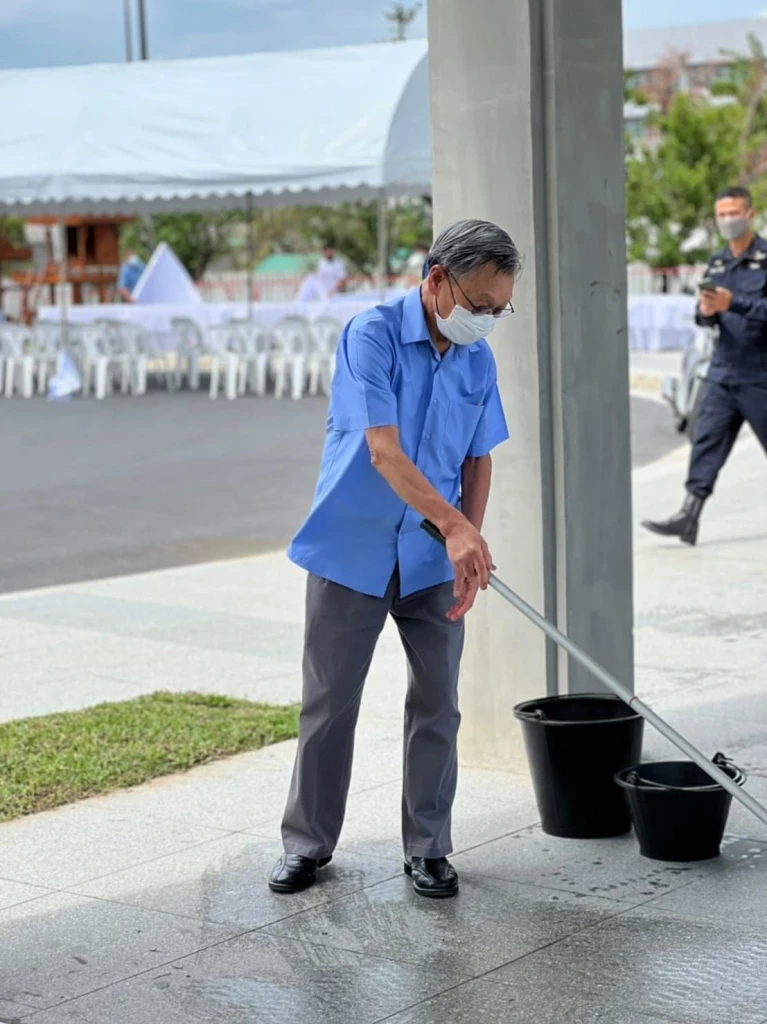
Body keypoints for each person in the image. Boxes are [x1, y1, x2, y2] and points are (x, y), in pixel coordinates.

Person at [268, 219, 518, 899]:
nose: (487, 320)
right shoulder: (370, 335)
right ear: (436, 280)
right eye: (478, 306)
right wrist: (455, 526)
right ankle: (307, 842)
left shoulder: (476, 358)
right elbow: (382, 451)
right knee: (328, 704)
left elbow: (477, 456)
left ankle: (428, 848)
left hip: (434, 558)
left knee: (438, 703)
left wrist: (467, 540)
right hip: (352, 548)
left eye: (499, 310)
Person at [643, 186, 767, 546]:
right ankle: (689, 516)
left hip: (760, 374)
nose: (727, 220)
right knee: (706, 441)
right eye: (722, 214)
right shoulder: (716, 262)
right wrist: (707, 312)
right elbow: (708, 319)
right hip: (724, 371)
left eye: (734, 213)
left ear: (749, 214)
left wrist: (735, 303)